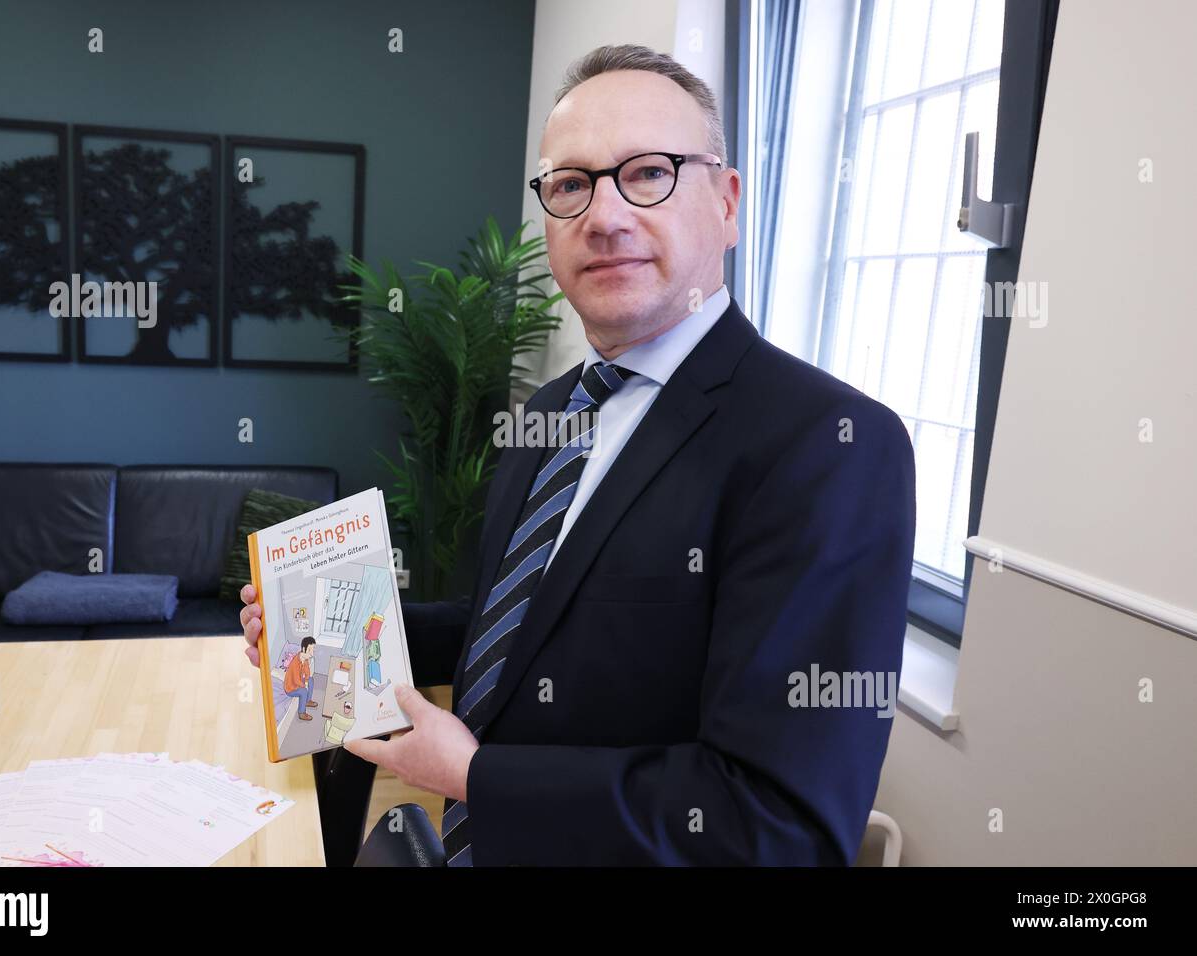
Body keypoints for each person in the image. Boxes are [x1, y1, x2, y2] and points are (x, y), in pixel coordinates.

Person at [241, 43, 915, 866]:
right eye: (571, 184)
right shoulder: (552, 411)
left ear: (728, 202)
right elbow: (519, 633)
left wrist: (479, 774)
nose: (604, 216)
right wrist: (320, 633)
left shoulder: (827, 446)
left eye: (648, 173)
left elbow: (775, 828)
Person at [283, 637, 318, 722]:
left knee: (311, 680)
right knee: (303, 691)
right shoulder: (295, 662)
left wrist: (307, 679)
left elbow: (307, 672)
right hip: (291, 687)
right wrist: (304, 685)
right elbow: (295, 680)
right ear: (303, 649)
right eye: (310, 650)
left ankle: (308, 700)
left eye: (313, 650)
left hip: (298, 680)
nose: (312, 653)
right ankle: (301, 713)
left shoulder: (304, 658)